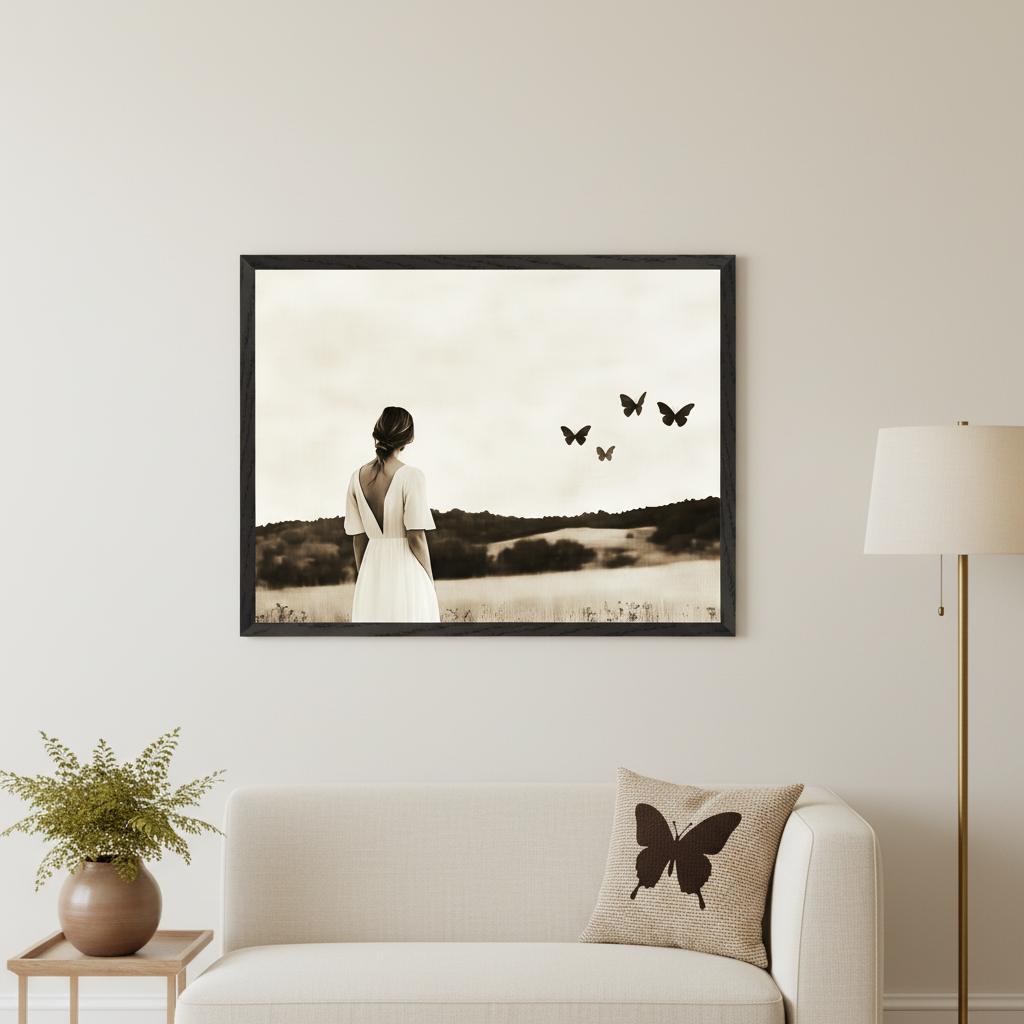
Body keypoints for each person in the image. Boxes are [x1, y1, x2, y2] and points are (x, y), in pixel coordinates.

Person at [344, 407, 440, 623]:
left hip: (371, 571)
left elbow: (358, 540)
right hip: (406, 573)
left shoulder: (355, 478)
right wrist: (429, 582)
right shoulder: (412, 476)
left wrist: (365, 580)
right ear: (408, 439)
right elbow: (416, 537)